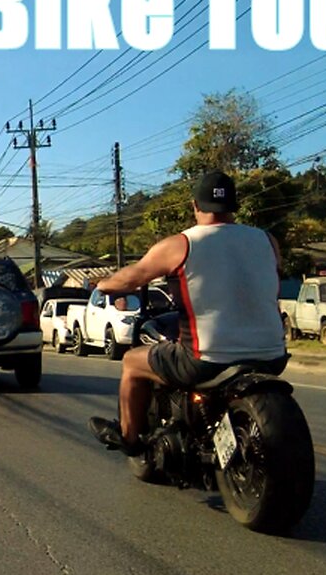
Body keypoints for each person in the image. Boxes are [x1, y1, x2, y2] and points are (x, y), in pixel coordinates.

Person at [88, 171, 289, 455]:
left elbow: (132, 278)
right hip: (272, 357)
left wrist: (104, 285)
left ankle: (129, 439)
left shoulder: (181, 244)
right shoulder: (268, 241)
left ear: (195, 205)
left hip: (207, 359)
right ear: (234, 206)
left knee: (133, 363)